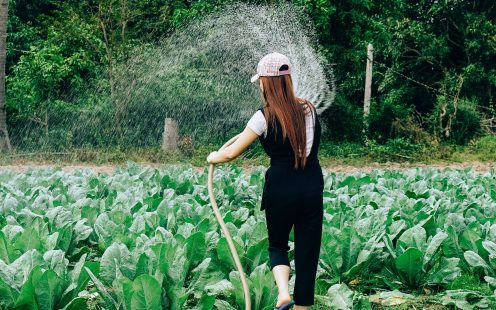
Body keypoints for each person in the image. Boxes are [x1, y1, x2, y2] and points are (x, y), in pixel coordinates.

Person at [207, 52, 324, 310]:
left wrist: (213, 157)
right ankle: (302, 308)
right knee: (308, 251)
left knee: (277, 244)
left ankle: (283, 293)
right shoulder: (310, 109)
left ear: (266, 83)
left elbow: (231, 152)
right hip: (311, 185)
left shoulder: (263, 117)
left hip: (281, 187)